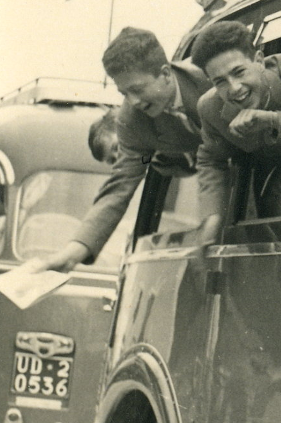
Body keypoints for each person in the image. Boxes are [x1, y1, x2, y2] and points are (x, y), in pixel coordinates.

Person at [27, 27, 210, 271]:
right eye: (124, 93)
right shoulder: (132, 120)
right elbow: (120, 185)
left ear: (165, 73)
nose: (132, 101)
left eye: (137, 89)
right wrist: (72, 252)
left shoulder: (211, 77)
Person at [190, 21, 281, 223]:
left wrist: (273, 120)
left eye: (239, 72)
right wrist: (212, 215)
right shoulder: (210, 108)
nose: (234, 88)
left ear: (260, 60)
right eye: (220, 81)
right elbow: (212, 159)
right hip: (274, 193)